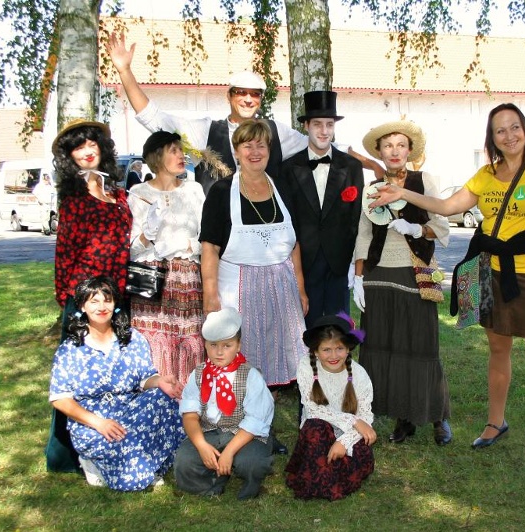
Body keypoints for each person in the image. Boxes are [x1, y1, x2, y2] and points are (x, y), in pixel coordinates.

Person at [369, 103, 525, 460]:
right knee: (497, 348)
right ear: (492, 138)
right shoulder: (486, 174)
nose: (509, 135)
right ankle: (495, 422)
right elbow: (447, 206)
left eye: (515, 127)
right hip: (486, 269)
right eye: (500, 130)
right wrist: (403, 193)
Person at [106, 32, 385, 193]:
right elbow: (153, 117)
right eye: (241, 92)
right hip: (221, 237)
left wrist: (371, 164)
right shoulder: (205, 131)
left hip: (266, 232)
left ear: (261, 99)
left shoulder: (276, 132)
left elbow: (325, 147)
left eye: (255, 94)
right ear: (229, 95)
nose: (248, 99)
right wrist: (125, 71)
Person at [352, 120, 453, 446]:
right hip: (379, 274)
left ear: (409, 151)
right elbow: (363, 233)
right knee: (387, 346)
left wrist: (416, 229)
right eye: (388, 146)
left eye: (400, 145)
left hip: (415, 271)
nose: (394, 151)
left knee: (421, 345)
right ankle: (403, 416)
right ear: (380, 152)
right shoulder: (372, 187)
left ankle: (437, 416)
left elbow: (441, 226)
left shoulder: (424, 182)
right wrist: (358, 276)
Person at [47, 119, 132, 473]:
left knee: (115, 374)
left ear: (101, 147)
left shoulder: (118, 193)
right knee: (76, 377)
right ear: (70, 156)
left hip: (117, 297)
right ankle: (64, 456)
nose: (86, 151)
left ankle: (114, 444)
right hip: (85, 300)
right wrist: (70, 301)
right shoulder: (73, 198)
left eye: (90, 144)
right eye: (78, 147)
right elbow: (64, 252)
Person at [49, 276, 185, 491]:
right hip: (93, 423)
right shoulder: (70, 348)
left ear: (115, 304)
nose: (102, 307)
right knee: (133, 480)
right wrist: (99, 423)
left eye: (107, 300)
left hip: (130, 414)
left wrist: (160, 382)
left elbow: (145, 378)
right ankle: (97, 463)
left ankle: (139, 462)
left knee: (162, 398)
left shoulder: (132, 339)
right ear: (83, 306)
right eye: (94, 301)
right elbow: (60, 399)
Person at [199, 119, 308, 388]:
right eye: (248, 146)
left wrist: (301, 289)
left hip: (281, 286)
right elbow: (210, 247)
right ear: (236, 151)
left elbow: (294, 243)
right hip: (236, 288)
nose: (255, 152)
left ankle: (267, 403)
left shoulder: (282, 188)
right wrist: (210, 295)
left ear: (269, 151)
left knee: (277, 348)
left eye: (261, 145)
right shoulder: (221, 192)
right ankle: (238, 406)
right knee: (240, 353)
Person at [277, 91, 364, 328]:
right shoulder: (288, 168)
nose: (324, 131)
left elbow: (355, 217)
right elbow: (288, 220)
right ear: (306, 126)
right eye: (317, 124)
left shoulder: (352, 166)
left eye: (329, 124)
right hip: (304, 262)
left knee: (340, 328)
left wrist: (353, 264)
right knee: (307, 329)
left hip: (339, 263)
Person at [128, 131, 206, 385]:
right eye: (173, 150)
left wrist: (185, 244)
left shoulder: (194, 190)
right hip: (150, 282)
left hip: (187, 281)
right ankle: (155, 401)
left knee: (189, 345)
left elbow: (208, 239)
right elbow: (130, 249)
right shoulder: (138, 193)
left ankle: (189, 404)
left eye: (181, 150)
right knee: (154, 344)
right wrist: (147, 235)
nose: (181, 155)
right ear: (157, 157)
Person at [174, 307, 275, 500]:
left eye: (227, 345)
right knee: (183, 463)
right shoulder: (198, 374)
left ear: (238, 346)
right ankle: (213, 482)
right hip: (210, 432)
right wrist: (201, 445)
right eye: (213, 345)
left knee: (252, 463)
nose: (219, 352)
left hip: (243, 434)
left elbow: (255, 420)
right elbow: (190, 415)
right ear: (205, 345)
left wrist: (229, 452)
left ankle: (244, 477)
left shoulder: (250, 376)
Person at [285, 313, 375, 501]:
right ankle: (325, 480)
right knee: (315, 428)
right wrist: (353, 421)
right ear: (316, 351)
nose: (333, 356)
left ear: (348, 349)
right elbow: (313, 409)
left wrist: (343, 441)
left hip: (350, 434)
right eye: (326, 350)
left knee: (359, 451)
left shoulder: (359, 374)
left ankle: (329, 475)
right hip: (319, 430)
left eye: (339, 348)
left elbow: (365, 418)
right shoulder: (306, 366)